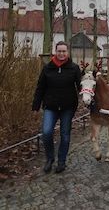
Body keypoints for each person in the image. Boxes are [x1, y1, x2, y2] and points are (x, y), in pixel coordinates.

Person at [32, 41, 81, 174]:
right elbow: (40, 87)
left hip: (67, 107)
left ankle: (61, 161)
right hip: (50, 106)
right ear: (55, 51)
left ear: (67, 52)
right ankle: (49, 158)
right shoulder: (48, 68)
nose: (61, 54)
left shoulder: (74, 68)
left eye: (64, 51)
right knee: (46, 133)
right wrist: (35, 106)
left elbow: (81, 87)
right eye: (59, 51)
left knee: (65, 135)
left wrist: (89, 98)